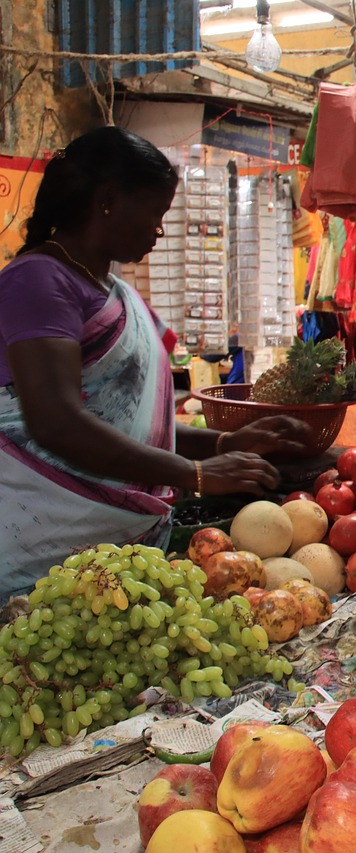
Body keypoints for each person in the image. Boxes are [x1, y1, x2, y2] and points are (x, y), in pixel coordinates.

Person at [0, 127, 310, 599]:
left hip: (113, 554)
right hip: (41, 550)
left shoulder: (116, 292)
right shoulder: (38, 282)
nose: (160, 230)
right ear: (107, 200)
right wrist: (196, 475)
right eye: (155, 212)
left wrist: (223, 441)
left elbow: (135, 428)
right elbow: (57, 422)